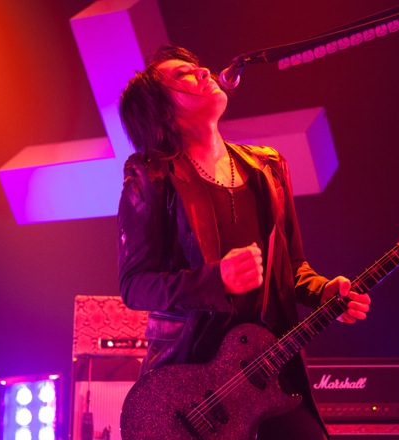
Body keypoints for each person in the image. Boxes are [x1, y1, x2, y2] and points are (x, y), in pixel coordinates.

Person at [117, 45, 371, 440]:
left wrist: (325, 292)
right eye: (183, 75)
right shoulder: (152, 176)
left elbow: (292, 268)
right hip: (194, 386)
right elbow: (135, 285)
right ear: (162, 110)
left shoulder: (268, 167)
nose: (203, 72)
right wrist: (215, 280)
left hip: (268, 371)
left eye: (197, 66)